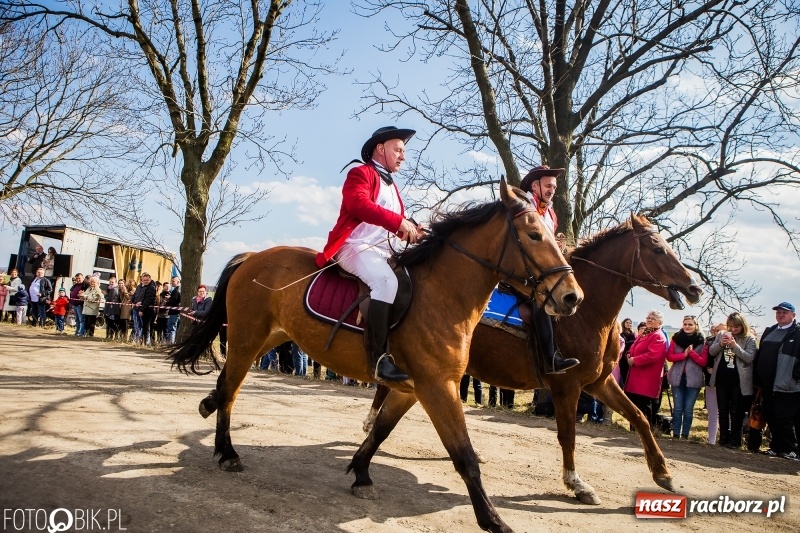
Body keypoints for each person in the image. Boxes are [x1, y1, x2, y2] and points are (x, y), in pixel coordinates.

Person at [315, 126, 424, 382]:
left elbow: (392, 223)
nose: (403, 156)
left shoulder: (392, 186)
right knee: (386, 282)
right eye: (398, 150)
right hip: (354, 245)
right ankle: (378, 359)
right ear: (381, 148)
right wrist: (399, 223)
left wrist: (414, 230)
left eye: (403, 151)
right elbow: (358, 205)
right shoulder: (360, 172)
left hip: (382, 250)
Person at [517, 165, 579, 374]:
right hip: (520, 265)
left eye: (554, 186)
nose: (552, 189)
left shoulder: (551, 213)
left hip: (540, 268)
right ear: (535, 186)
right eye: (548, 185)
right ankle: (550, 359)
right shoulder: (524, 205)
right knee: (542, 298)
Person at [753, 303, 800, 459]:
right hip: (768, 384)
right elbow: (760, 356)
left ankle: (792, 449)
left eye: (784, 312)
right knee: (771, 415)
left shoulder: (797, 332)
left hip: (788, 385)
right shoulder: (770, 331)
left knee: (783, 417)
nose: (780, 315)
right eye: (778, 312)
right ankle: (776, 446)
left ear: (793, 315)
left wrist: (795, 376)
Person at [708, 312, 756, 449]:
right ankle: (723, 438)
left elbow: (749, 358)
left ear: (743, 326)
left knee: (737, 412)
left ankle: (735, 440)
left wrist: (735, 346)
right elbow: (711, 352)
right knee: (723, 410)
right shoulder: (721, 335)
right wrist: (721, 344)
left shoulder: (749, 340)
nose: (733, 330)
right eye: (731, 327)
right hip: (722, 378)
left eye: (737, 327)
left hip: (739, 381)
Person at [624, 310, 668, 430]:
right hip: (635, 378)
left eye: (652, 318)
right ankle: (633, 430)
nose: (649, 320)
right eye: (648, 317)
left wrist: (635, 360)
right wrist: (628, 354)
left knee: (643, 407)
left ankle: (644, 431)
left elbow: (652, 355)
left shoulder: (658, 336)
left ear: (659, 322)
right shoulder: (645, 333)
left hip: (646, 380)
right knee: (634, 406)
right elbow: (633, 348)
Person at [666, 315, 708, 439]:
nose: (687, 327)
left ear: (696, 326)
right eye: (685, 324)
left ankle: (685, 434)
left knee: (688, 409)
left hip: (694, 379)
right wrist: (683, 355)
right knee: (678, 408)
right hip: (677, 377)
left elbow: (703, 362)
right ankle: (676, 433)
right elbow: (669, 357)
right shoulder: (676, 339)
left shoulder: (702, 341)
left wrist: (692, 353)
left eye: (690, 324)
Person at [131, 273, 157, 345]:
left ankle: (146, 342)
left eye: (147, 280)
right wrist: (133, 301)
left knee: (146, 327)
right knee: (139, 326)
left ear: (150, 279)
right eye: (144, 280)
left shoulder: (151, 287)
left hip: (148, 310)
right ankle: (141, 341)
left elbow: (148, 300)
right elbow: (136, 295)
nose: (145, 281)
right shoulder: (140, 286)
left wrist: (141, 309)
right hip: (139, 308)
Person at [165, 276, 181, 343]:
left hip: (174, 312)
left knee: (171, 328)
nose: (172, 283)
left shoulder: (176, 291)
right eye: (171, 281)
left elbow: (173, 302)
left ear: (178, 281)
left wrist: (168, 300)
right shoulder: (179, 289)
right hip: (177, 312)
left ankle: (171, 343)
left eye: (173, 281)